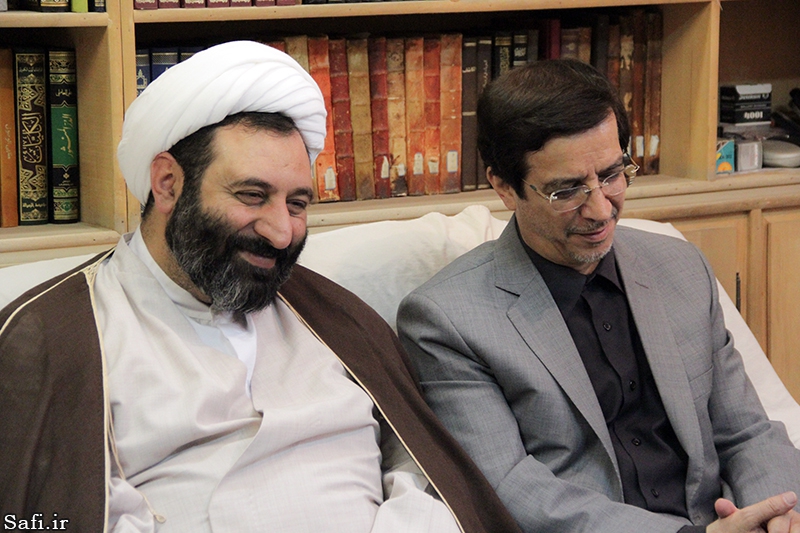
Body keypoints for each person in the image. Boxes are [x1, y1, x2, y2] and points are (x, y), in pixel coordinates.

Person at [0, 41, 522, 533]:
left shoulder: (335, 317)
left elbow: (422, 472)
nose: (281, 232)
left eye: (296, 204)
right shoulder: (58, 336)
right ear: (167, 184)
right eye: (252, 196)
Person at [396, 59, 800, 533]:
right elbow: (508, 486)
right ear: (504, 187)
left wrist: (776, 514)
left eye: (611, 174)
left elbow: (747, 432)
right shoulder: (446, 320)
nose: (601, 209)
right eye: (567, 190)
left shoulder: (680, 267)